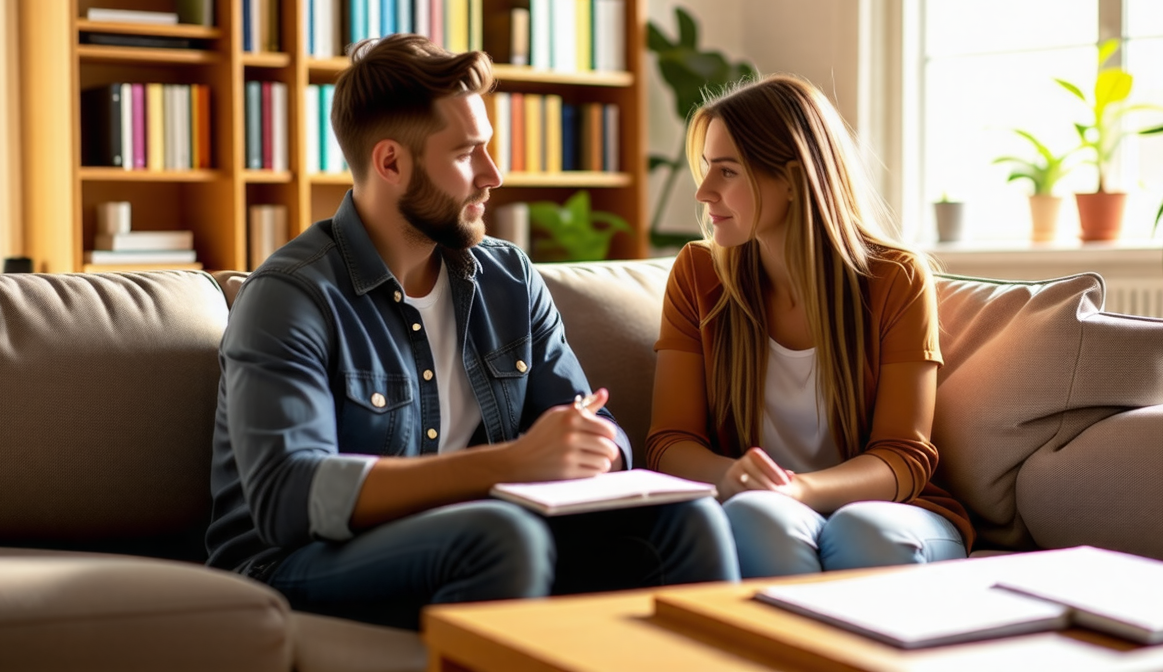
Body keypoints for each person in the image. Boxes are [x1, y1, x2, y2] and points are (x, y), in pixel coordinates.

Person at [206, 34, 738, 629]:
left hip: (490, 532)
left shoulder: (508, 280)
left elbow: (599, 428)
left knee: (690, 521)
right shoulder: (291, 297)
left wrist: (596, 448)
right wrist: (508, 464)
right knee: (502, 534)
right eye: (467, 154)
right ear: (391, 163)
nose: (494, 174)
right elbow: (288, 496)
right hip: (302, 562)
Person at [646, 74, 973, 578]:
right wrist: (735, 476)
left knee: (860, 532)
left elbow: (903, 457)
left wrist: (799, 490)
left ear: (795, 181)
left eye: (727, 172)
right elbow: (669, 444)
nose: (703, 190)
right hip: (764, 507)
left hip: (892, 510)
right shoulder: (698, 275)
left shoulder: (896, 279)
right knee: (757, 516)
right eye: (708, 167)